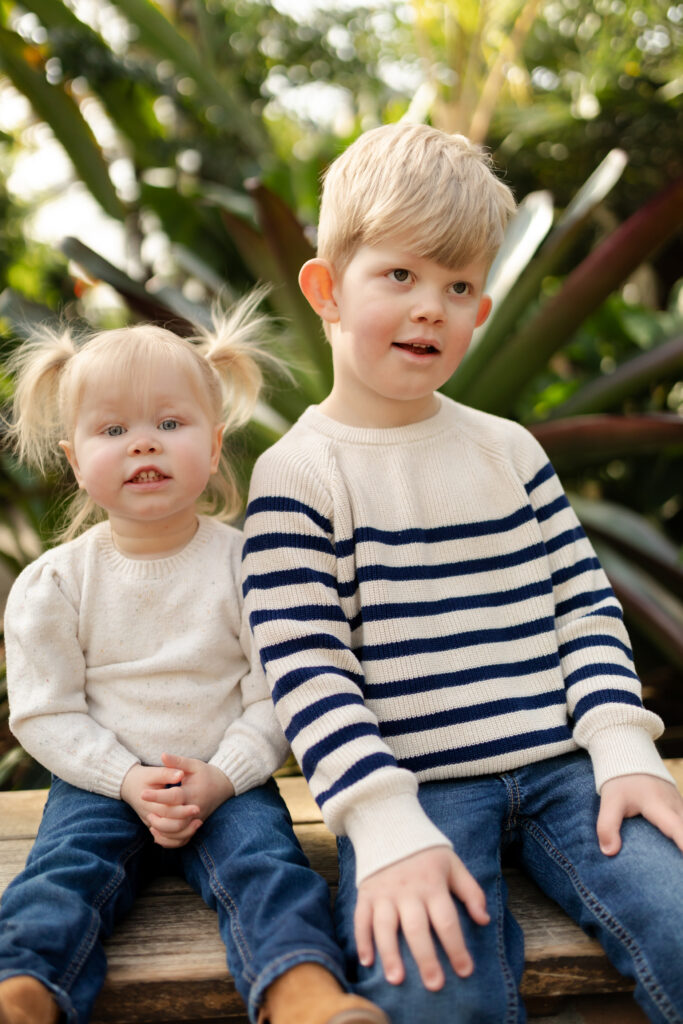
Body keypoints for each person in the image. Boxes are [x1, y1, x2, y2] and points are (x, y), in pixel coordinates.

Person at [241, 123, 683, 1024]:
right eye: (398, 276)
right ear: (326, 290)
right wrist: (382, 825)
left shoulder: (509, 451)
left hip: (570, 770)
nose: (430, 307)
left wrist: (624, 750)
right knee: (430, 989)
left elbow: (583, 608)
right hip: (413, 791)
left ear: (481, 310)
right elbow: (306, 671)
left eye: (457, 285)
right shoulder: (297, 475)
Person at [0, 298, 388, 1024]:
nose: (142, 445)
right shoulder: (56, 583)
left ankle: (301, 990)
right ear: (76, 461)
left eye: (168, 425)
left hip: (225, 779)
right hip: (100, 782)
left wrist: (226, 774)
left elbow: (279, 689)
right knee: (62, 877)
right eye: (113, 430)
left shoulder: (252, 567)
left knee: (268, 870)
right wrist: (124, 778)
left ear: (212, 449)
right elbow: (45, 711)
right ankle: (23, 990)